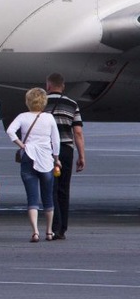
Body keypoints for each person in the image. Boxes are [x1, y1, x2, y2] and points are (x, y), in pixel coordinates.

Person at [6, 87, 61, 242]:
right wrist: (56, 158)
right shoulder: (49, 118)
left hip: (28, 156)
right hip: (46, 159)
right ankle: (49, 231)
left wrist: (21, 145)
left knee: (32, 198)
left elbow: (10, 131)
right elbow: (56, 141)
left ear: (28, 101)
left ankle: (35, 231)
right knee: (48, 197)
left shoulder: (22, 117)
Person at [45, 73, 86, 240]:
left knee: (50, 188)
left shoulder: (42, 103)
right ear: (63, 86)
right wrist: (81, 155)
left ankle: (54, 226)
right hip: (66, 150)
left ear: (48, 86)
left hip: (48, 150)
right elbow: (78, 132)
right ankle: (62, 228)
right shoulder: (72, 104)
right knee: (63, 189)